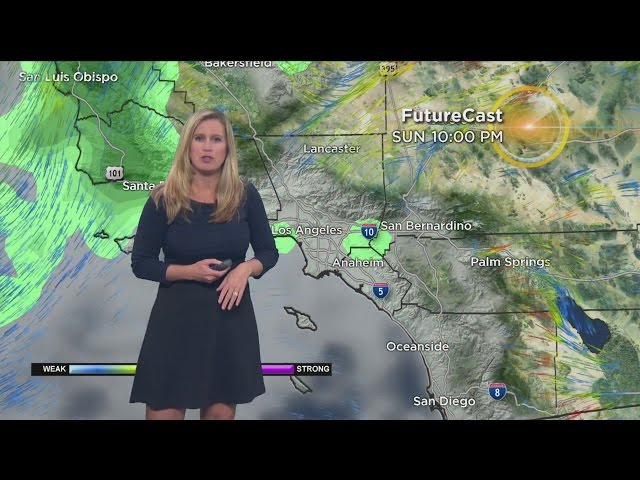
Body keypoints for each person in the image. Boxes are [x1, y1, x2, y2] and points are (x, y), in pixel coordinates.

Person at [129, 109, 279, 420]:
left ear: (227, 148)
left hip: (228, 325)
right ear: (187, 145)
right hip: (175, 326)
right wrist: (189, 272)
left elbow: (268, 252)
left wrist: (245, 269)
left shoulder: (245, 196)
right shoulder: (163, 199)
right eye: (199, 138)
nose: (207, 147)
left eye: (216, 139)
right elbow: (141, 263)